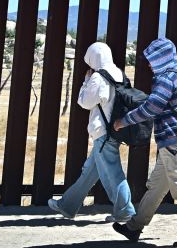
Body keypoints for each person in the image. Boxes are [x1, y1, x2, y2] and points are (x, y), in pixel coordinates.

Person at [110, 38, 177, 247]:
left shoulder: (166, 78)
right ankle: (134, 227)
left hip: (174, 142)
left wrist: (124, 121)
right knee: (157, 186)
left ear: (160, 58)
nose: (149, 64)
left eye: (151, 59)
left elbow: (152, 107)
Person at [48, 42, 136, 224]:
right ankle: (68, 206)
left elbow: (85, 103)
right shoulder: (119, 73)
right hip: (114, 130)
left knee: (113, 173)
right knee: (89, 171)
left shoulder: (98, 76)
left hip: (102, 132)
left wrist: (86, 82)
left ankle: (126, 211)